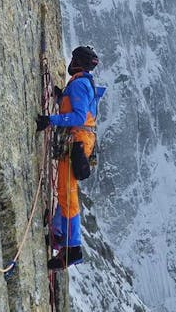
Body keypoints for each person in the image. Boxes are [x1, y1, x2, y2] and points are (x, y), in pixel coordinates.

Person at [35, 45, 105, 269]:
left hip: (76, 141)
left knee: (67, 191)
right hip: (80, 141)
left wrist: (50, 120)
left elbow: (77, 117)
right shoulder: (83, 84)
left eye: (73, 59)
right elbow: (80, 112)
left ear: (78, 63)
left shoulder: (78, 85)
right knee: (65, 190)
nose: (70, 62)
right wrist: (61, 98)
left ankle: (72, 247)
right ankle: (58, 232)